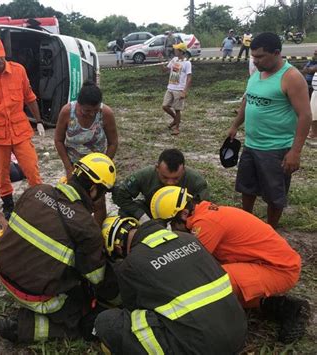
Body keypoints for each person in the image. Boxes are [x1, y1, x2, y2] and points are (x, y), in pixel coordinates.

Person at [0, 153, 119, 343]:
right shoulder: (87, 226)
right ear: (93, 190)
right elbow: (95, 278)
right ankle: (24, 327)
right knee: (83, 317)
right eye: (103, 193)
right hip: (34, 295)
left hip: (3, 274)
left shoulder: (36, 191)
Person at [150, 186, 311, 344]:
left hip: (280, 270)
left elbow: (190, 267)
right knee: (216, 280)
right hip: (263, 264)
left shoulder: (205, 224)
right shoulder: (204, 213)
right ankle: (281, 307)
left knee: (209, 283)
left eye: (172, 224)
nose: (172, 230)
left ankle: (289, 311)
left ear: (184, 214)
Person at [94, 215, 247, 354]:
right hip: (238, 332)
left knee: (107, 321)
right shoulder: (189, 239)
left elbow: (132, 308)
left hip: (202, 347)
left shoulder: (130, 263)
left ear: (118, 248)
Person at [227, 32, 312, 228]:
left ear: (276, 53)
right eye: (253, 56)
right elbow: (247, 101)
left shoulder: (291, 77)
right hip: (251, 144)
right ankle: (246, 223)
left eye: (260, 56)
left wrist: (295, 152)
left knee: (274, 195)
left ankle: (270, 229)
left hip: (276, 148)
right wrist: (234, 125)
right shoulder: (257, 73)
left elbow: (305, 116)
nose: (255, 61)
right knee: (247, 188)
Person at [0, 36, 45, 219]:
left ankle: (39, 202)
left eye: (1, 56)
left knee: (31, 168)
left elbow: (29, 97)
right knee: (1, 172)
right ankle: (8, 205)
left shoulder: (18, 71)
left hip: (20, 131)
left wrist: (39, 121)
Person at [54, 81, 118, 225]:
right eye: (87, 110)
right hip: (75, 166)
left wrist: (103, 166)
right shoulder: (67, 112)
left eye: (95, 110)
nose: (91, 114)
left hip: (96, 170)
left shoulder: (105, 113)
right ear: (78, 104)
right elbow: (58, 140)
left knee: (98, 202)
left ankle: (96, 234)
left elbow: (113, 142)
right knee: (74, 201)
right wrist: (68, 168)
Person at [112, 148, 209, 224]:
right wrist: (141, 216)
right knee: (125, 213)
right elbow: (121, 196)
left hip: (181, 217)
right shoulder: (145, 175)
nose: (170, 183)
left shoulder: (197, 182)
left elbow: (204, 208)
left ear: (183, 170)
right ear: (157, 168)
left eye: (176, 178)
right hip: (151, 213)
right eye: (165, 177)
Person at [161, 42, 192, 135]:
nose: (174, 50)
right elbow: (164, 70)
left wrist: (184, 91)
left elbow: (189, 78)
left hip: (179, 89)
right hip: (170, 87)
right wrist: (160, 61)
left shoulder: (187, 63)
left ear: (181, 51)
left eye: (176, 49)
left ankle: (177, 128)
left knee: (177, 109)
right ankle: (175, 119)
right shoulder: (174, 60)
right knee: (165, 106)